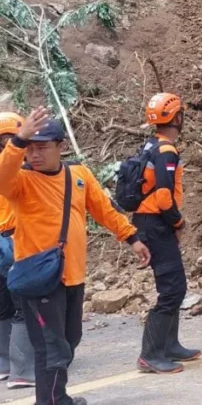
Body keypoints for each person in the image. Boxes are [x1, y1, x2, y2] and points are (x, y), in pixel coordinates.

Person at [0, 107, 150, 405]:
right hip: (39, 278)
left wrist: (131, 237)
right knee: (50, 348)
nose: (34, 155)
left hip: (73, 274)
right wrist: (18, 141)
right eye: (30, 148)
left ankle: (58, 396)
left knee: (69, 340)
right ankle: (51, 401)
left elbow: (104, 209)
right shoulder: (21, 181)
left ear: (61, 146)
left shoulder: (78, 175)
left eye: (42, 147)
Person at [133, 93, 200, 374]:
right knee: (172, 289)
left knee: (174, 286)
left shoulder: (152, 145)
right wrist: (178, 223)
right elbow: (163, 196)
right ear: (177, 117)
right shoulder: (166, 151)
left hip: (148, 222)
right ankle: (150, 354)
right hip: (156, 224)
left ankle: (169, 345)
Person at [0, 113, 33, 391]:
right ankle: (22, 370)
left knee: (3, 305)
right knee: (25, 303)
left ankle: (4, 364)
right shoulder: (16, 170)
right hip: (13, 240)